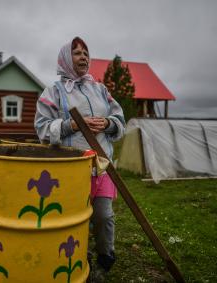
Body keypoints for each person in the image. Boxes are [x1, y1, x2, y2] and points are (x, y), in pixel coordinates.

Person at [34, 36, 125, 280]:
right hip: (71, 169)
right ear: (65, 58)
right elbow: (41, 127)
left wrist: (107, 123)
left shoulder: (100, 89)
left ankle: (105, 260)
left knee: (104, 216)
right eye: (76, 53)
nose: (83, 56)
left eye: (86, 52)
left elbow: (119, 119)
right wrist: (70, 125)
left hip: (102, 165)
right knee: (76, 219)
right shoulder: (53, 92)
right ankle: (78, 260)